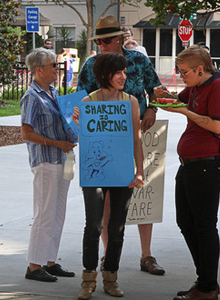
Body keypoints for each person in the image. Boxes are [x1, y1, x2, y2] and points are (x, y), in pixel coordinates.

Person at [77, 15, 164, 276]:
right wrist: (79, 117)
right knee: (105, 203)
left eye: (106, 40)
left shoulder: (139, 60)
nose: (102, 45)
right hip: (105, 142)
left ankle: (146, 255)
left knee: (145, 194)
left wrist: (153, 110)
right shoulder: (91, 65)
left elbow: (155, 89)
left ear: (119, 39)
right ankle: (106, 256)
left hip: (141, 131)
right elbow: (80, 99)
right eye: (99, 41)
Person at [154, 44, 220, 300]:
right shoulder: (197, 86)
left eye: (185, 71)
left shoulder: (218, 88)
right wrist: (163, 95)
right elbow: (179, 101)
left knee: (204, 226)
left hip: (207, 164)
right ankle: (205, 280)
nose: (181, 75)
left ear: (201, 69)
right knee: (186, 222)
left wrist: (184, 111)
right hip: (191, 164)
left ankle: (208, 287)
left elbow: (218, 124)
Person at [73, 53, 144, 299]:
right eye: (117, 73)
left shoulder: (131, 102)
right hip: (95, 173)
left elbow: (136, 139)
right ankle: (88, 278)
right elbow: (84, 139)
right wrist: (78, 122)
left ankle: (111, 276)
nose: (123, 77)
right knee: (93, 225)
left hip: (122, 171)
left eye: (124, 72)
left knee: (117, 227)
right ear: (104, 75)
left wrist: (140, 170)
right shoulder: (88, 101)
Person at [20, 48, 76, 283]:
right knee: (44, 213)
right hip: (45, 160)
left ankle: (50, 261)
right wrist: (57, 143)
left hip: (62, 159)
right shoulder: (31, 97)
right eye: (53, 65)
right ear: (38, 70)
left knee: (57, 213)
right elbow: (26, 133)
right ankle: (34, 265)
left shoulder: (53, 92)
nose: (57, 69)